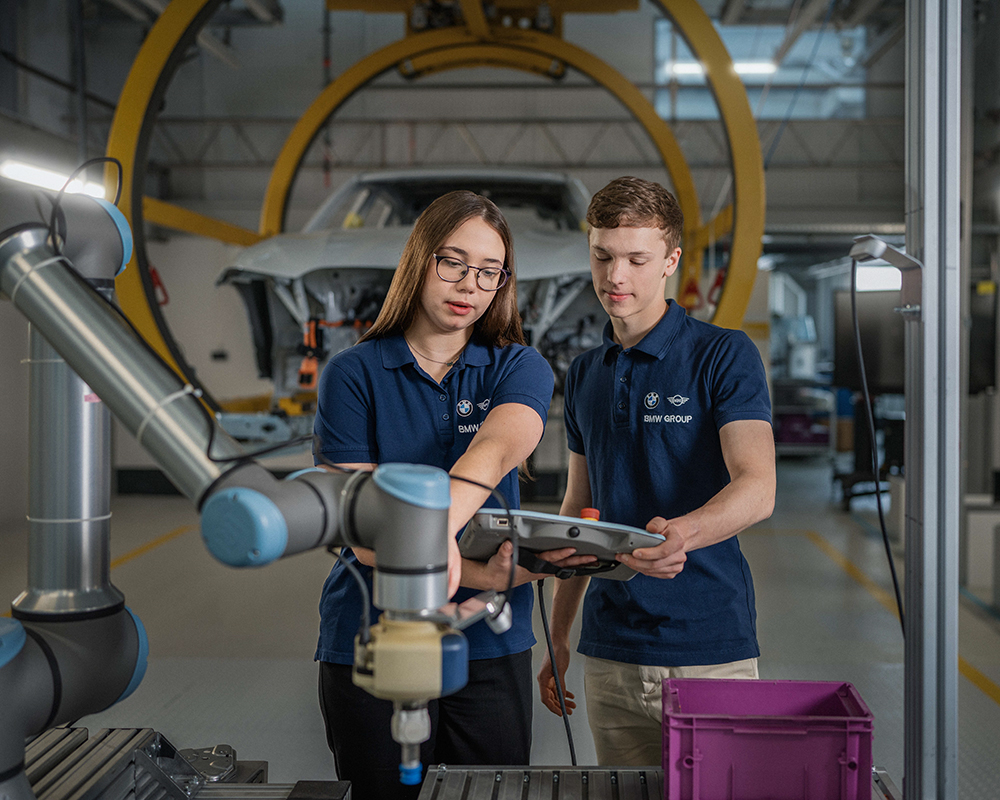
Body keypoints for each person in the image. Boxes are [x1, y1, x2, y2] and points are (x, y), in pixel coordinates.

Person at [312, 190, 590, 800]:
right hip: (373, 629)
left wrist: (433, 536)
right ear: (419, 260)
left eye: (488, 271)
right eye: (453, 262)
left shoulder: (517, 366)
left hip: (489, 643)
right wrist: (480, 576)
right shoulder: (353, 374)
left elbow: (496, 447)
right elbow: (362, 534)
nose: (469, 283)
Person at [536, 176, 776, 767]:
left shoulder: (723, 355)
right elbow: (577, 510)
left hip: (707, 646)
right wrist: (561, 636)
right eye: (603, 256)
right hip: (612, 651)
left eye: (637, 259)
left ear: (670, 261)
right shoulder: (587, 373)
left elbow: (757, 486)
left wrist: (682, 535)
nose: (616, 276)